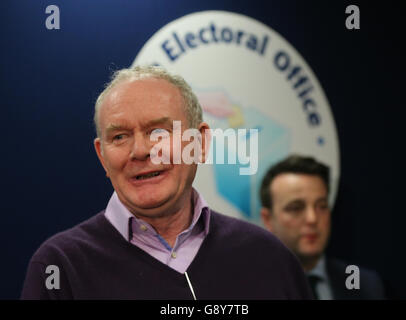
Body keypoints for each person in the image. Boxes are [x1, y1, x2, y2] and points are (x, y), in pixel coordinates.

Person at [21, 66, 312, 299]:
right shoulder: (60, 267)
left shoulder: (268, 257)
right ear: (102, 156)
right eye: (120, 136)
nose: (140, 151)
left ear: (200, 142)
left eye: (158, 131)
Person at [260, 155, 386, 299]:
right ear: (268, 219)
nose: (312, 219)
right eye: (296, 208)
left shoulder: (365, 284)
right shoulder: (246, 285)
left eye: (322, 206)